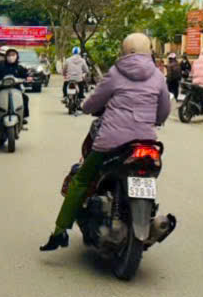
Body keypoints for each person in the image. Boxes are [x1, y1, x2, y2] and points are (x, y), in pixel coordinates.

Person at [40, 33, 172, 252]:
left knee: (81, 180)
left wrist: (85, 107)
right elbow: (165, 109)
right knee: (148, 175)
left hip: (112, 141)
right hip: (147, 141)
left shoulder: (116, 72)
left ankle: (60, 231)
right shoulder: (158, 75)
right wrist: (155, 121)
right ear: (148, 50)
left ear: (125, 50)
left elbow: (95, 101)